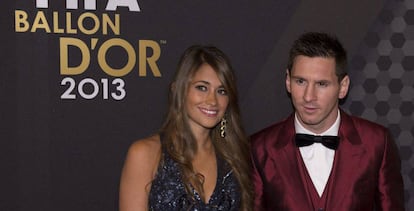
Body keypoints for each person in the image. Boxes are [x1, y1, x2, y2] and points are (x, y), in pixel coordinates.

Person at [251, 32, 405, 210]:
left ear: (343, 87)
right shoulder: (259, 149)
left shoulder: (377, 143)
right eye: (300, 81)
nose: (309, 96)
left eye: (322, 84)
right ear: (288, 81)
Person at [119, 45, 253, 211]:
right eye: (202, 88)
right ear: (179, 90)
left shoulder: (234, 157)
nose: (212, 100)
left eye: (222, 91)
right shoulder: (145, 154)